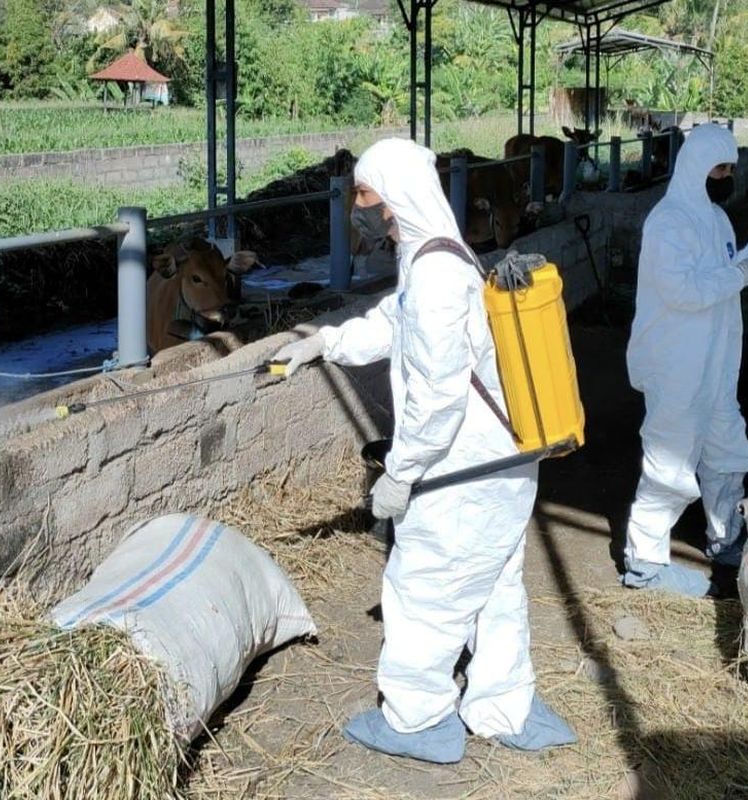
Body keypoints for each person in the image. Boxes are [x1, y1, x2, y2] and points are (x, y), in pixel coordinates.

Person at [272, 137, 576, 764]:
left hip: (464, 470)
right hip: (499, 464)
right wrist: (326, 343)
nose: (366, 211)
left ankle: (418, 720)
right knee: (493, 586)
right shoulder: (436, 254)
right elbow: (393, 320)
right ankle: (504, 705)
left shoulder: (435, 271)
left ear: (399, 193)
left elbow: (438, 399)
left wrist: (401, 474)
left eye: (370, 197)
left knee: (423, 586)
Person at [621, 123, 748, 597]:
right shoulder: (668, 222)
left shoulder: (717, 220)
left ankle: (725, 539)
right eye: (719, 168)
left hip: (716, 363)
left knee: (727, 453)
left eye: (729, 168)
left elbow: (730, 274)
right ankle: (644, 561)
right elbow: (684, 292)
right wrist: (740, 274)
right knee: (669, 460)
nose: (725, 176)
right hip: (676, 363)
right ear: (696, 167)